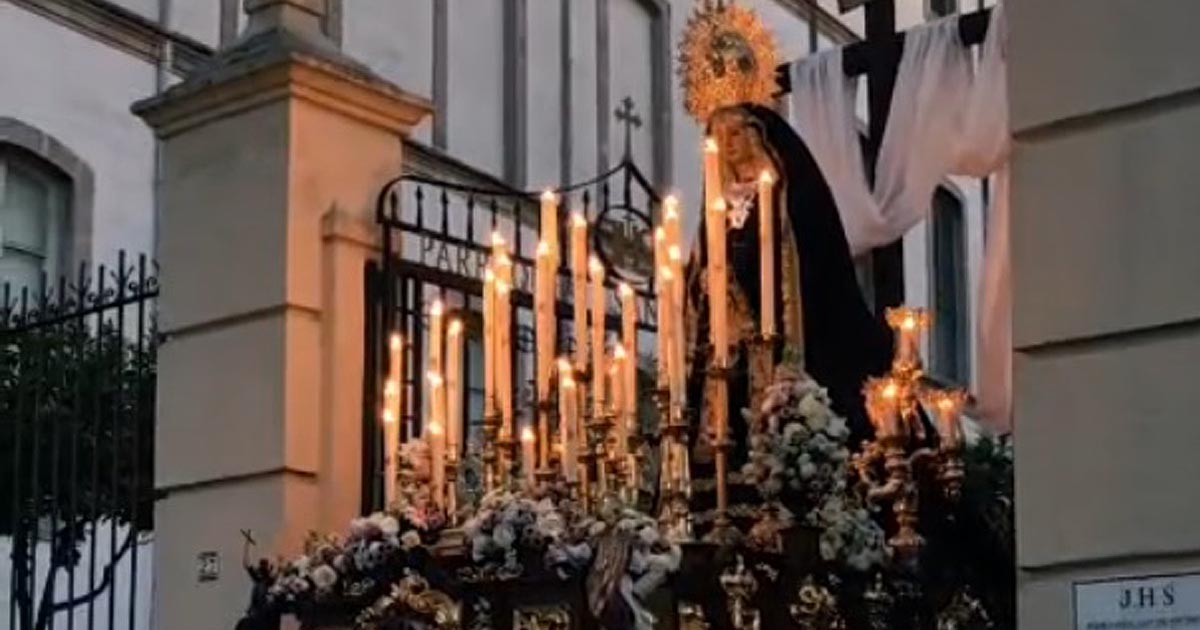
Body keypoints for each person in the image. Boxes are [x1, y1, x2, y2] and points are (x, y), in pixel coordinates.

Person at [683, 104, 895, 534]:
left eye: (739, 133)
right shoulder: (717, 208)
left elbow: (811, 274)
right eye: (719, 136)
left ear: (762, 139)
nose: (729, 143)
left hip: (781, 346)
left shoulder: (788, 200)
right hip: (728, 353)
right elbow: (698, 274)